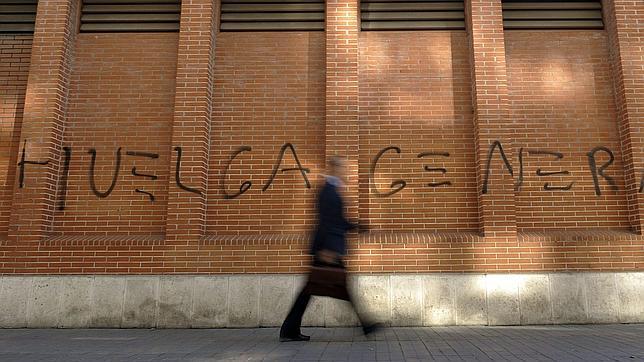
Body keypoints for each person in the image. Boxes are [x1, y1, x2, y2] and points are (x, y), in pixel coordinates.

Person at [279, 156, 380, 342]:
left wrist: (357, 226)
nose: (346, 172)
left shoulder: (332, 189)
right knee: (332, 287)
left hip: (328, 247)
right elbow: (326, 222)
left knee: (313, 290)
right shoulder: (327, 191)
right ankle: (367, 325)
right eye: (343, 168)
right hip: (328, 249)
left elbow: (338, 220)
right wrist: (326, 249)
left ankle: (289, 329)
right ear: (334, 168)